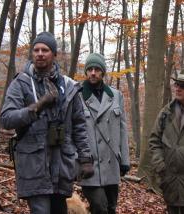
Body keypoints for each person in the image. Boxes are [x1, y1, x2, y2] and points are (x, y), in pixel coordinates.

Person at [0, 32, 94, 214]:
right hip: (34, 162)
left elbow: (79, 126)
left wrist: (85, 159)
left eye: (45, 50)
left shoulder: (69, 86)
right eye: (36, 50)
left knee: (59, 210)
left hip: (62, 164)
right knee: (41, 210)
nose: (40, 53)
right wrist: (39, 105)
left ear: (54, 55)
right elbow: (6, 119)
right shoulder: (21, 83)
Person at [79, 53, 130, 214]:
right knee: (100, 207)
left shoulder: (116, 96)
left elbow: (122, 129)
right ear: (86, 72)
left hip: (111, 164)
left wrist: (125, 160)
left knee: (111, 208)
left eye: (97, 69)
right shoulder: (78, 96)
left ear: (103, 72)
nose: (93, 73)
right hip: (89, 165)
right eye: (90, 69)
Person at [149, 68, 184, 214]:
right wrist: (161, 167)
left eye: (183, 86)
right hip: (170, 181)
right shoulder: (165, 113)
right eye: (177, 84)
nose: (178, 88)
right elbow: (154, 141)